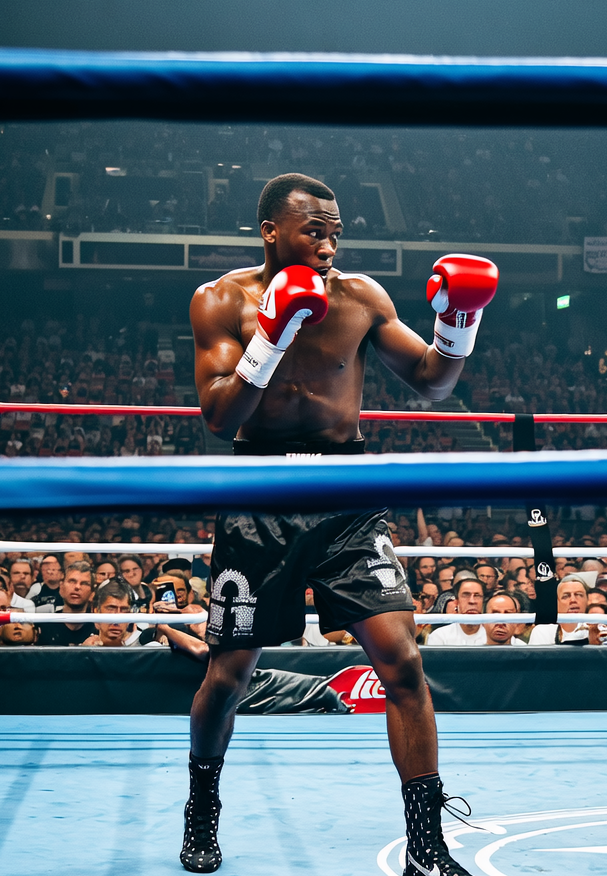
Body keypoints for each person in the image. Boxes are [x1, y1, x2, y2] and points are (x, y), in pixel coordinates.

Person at [184, 173, 498, 875]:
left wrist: (459, 320)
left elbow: (433, 381)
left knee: (404, 663)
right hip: (258, 495)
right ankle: (202, 805)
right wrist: (272, 333)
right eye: (313, 231)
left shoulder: (360, 298)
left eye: (335, 233)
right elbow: (218, 417)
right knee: (229, 676)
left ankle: (426, 847)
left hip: (346, 494)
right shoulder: (221, 300)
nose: (328, 245)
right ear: (271, 231)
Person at [426, 578, 487, 646]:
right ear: (456, 601)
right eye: (465, 595)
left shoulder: (492, 636)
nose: (472, 601)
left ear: (483, 602)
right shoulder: (440, 635)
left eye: (477, 596)